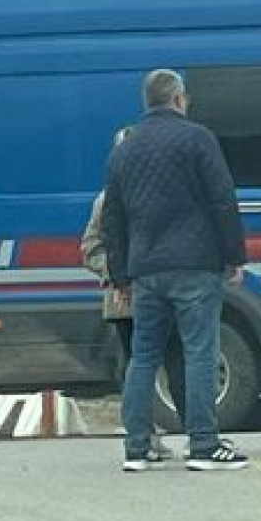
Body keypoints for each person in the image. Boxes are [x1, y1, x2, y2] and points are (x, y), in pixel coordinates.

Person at [102, 69, 249, 472]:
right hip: (195, 264)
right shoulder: (198, 139)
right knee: (200, 352)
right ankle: (203, 444)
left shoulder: (125, 150)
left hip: (146, 270)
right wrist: (235, 256)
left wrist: (120, 277)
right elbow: (222, 199)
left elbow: (112, 219)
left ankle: (137, 447)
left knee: (143, 356)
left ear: (147, 101)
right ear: (179, 99)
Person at [80, 141, 188, 452]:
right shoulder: (106, 201)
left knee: (177, 363)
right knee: (136, 366)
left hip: (161, 293)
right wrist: (117, 275)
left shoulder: (159, 194)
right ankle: (143, 436)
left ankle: (192, 432)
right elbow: (90, 248)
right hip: (125, 301)